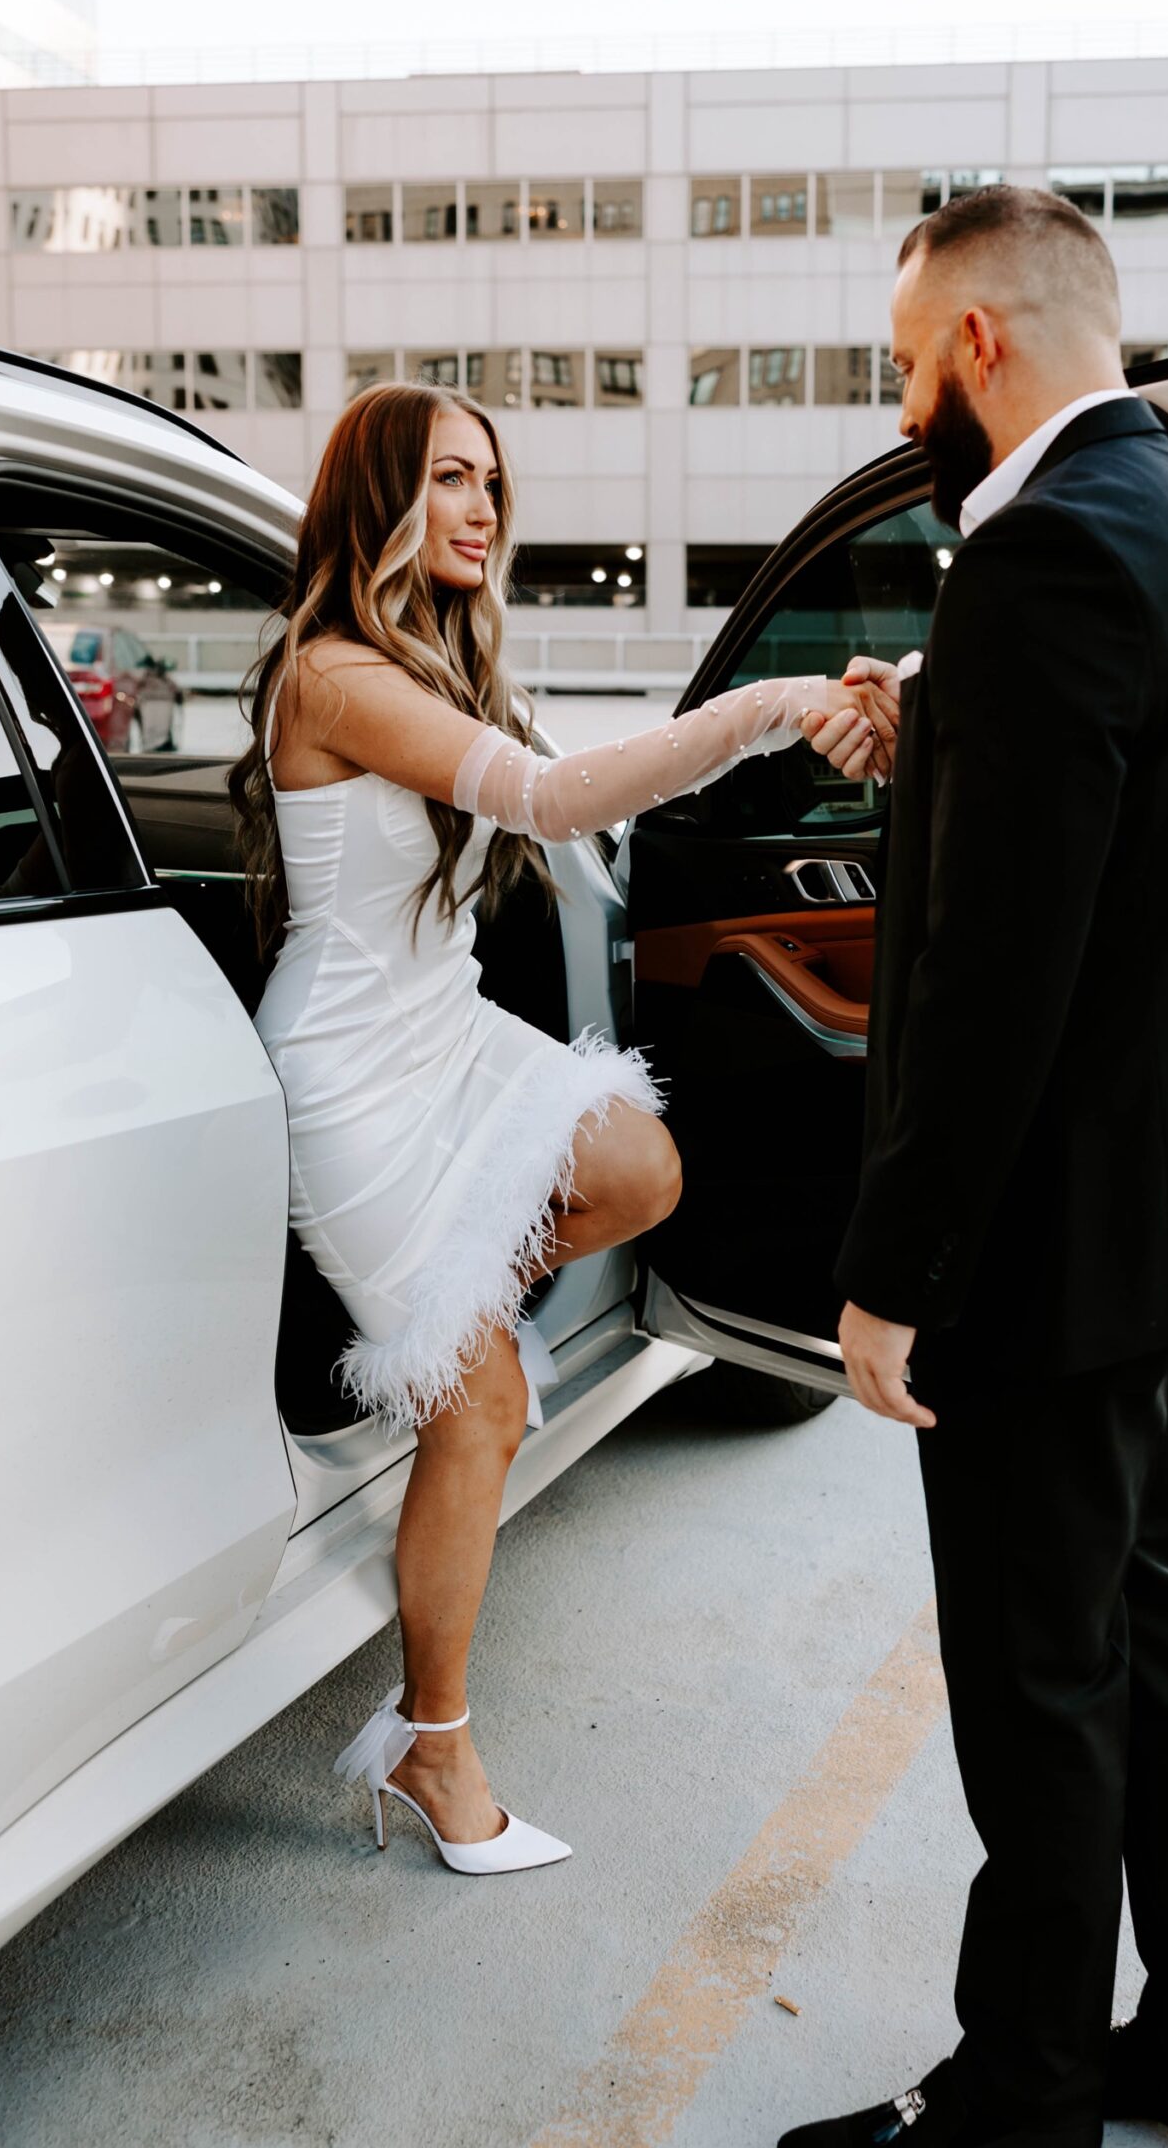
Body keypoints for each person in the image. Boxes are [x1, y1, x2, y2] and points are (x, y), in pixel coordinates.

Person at [784, 189, 1168, 2148]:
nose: (904, 389)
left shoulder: (1043, 558)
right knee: (1149, 1625)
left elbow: (1000, 981)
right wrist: (951, 729)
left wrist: (893, 1266)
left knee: (1039, 1681)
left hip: (1051, 1247)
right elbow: (1160, 821)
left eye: (906, 351)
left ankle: (1022, 2098)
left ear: (977, 342)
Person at [229, 383, 886, 1877]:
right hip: (349, 1075)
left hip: (445, 1031)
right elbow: (549, 798)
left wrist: (814, 721)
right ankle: (432, 1746)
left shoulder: (436, 663)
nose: (482, 508)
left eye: (492, 483)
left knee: (638, 1162)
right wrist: (773, 703)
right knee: (482, 1411)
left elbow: (573, 798)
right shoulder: (333, 675)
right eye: (449, 479)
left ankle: (461, 1331)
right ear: (378, 497)